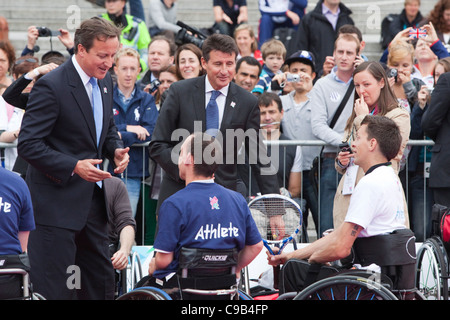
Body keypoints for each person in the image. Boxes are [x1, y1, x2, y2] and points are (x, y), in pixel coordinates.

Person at [18, 17, 130, 300]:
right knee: (58, 289)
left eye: (113, 55)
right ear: (81, 49)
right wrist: (73, 166)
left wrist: (114, 149)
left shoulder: (106, 84)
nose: (109, 62)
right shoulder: (52, 85)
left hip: (93, 206)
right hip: (54, 207)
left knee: (100, 284)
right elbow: (28, 145)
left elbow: (105, 130)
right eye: (102, 55)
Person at [269, 115, 416, 299]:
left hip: (368, 281)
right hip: (382, 276)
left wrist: (314, 257)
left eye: (358, 138)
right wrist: (292, 255)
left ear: (372, 144)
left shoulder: (369, 183)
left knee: (294, 270)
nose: (352, 144)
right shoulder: (389, 176)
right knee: (295, 262)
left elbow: (340, 248)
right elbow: (339, 236)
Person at [149, 33, 280, 221]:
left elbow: (258, 156)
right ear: (204, 62)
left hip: (222, 199)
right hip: (179, 194)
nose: (224, 71)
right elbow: (158, 144)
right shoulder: (179, 92)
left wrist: (274, 210)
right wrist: (186, 170)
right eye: (218, 64)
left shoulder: (247, 102)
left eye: (230, 64)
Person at [145, 132, 263, 290]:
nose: (178, 159)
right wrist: (235, 269)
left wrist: (153, 264)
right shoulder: (238, 200)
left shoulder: (174, 204)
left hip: (182, 289)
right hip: (224, 287)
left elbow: (163, 260)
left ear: (189, 159)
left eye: (180, 154)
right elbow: (256, 246)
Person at [333, 61, 411, 230]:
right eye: (357, 85)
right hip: (349, 191)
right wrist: (342, 161)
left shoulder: (399, 115)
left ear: (382, 83)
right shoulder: (357, 113)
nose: (361, 91)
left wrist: (364, 119)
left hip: (379, 196)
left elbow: (390, 152)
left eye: (367, 84)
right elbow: (348, 147)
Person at [309, 34, 359, 237]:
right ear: (334, 54)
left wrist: (365, 71)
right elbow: (318, 126)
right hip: (332, 160)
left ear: (357, 55)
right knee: (328, 223)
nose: (344, 57)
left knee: (358, 221)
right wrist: (347, 143)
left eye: (349, 52)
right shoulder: (321, 85)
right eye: (340, 52)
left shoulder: (364, 82)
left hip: (363, 161)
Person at [111, 48, 159, 218]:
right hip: (107, 168)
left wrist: (117, 132)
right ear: (115, 69)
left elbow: (150, 132)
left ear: (139, 71)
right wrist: (130, 129)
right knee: (105, 221)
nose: (129, 74)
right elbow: (103, 129)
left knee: (126, 218)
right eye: (124, 68)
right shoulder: (105, 95)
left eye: (133, 69)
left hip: (133, 169)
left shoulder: (146, 99)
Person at [278, 50, 320, 234]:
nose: (299, 74)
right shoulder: (280, 101)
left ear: (312, 75)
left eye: (303, 70)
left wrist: (312, 90)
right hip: (289, 173)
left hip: (314, 171)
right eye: (294, 70)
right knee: (294, 226)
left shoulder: (320, 100)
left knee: (321, 219)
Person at [239, 92, 302, 198]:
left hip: (279, 206)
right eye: (262, 113)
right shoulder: (242, 143)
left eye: (272, 112)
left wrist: (287, 194)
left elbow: (295, 189)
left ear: (281, 113)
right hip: (248, 207)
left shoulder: (293, 147)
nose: (267, 118)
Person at [288, 0, 354, 76]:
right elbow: (301, 48)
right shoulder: (309, 20)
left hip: (343, 76)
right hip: (315, 77)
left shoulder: (348, 20)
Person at [0, 56, 39, 171]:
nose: (30, 83)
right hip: (9, 166)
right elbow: (1, 135)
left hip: (33, 166)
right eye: (25, 77)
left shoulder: (40, 100)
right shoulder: (4, 102)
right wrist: (19, 132)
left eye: (34, 78)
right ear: (14, 77)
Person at [422, 67, 450, 208]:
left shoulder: (447, 80)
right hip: (446, 173)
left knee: (446, 224)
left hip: (446, 170)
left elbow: (429, 122)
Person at [101, 0, 151, 71]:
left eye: (114, 1)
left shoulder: (137, 24)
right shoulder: (99, 23)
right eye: (108, 1)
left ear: (123, 3)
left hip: (131, 74)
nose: (111, 4)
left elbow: (146, 51)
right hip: (106, 71)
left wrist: (138, 65)